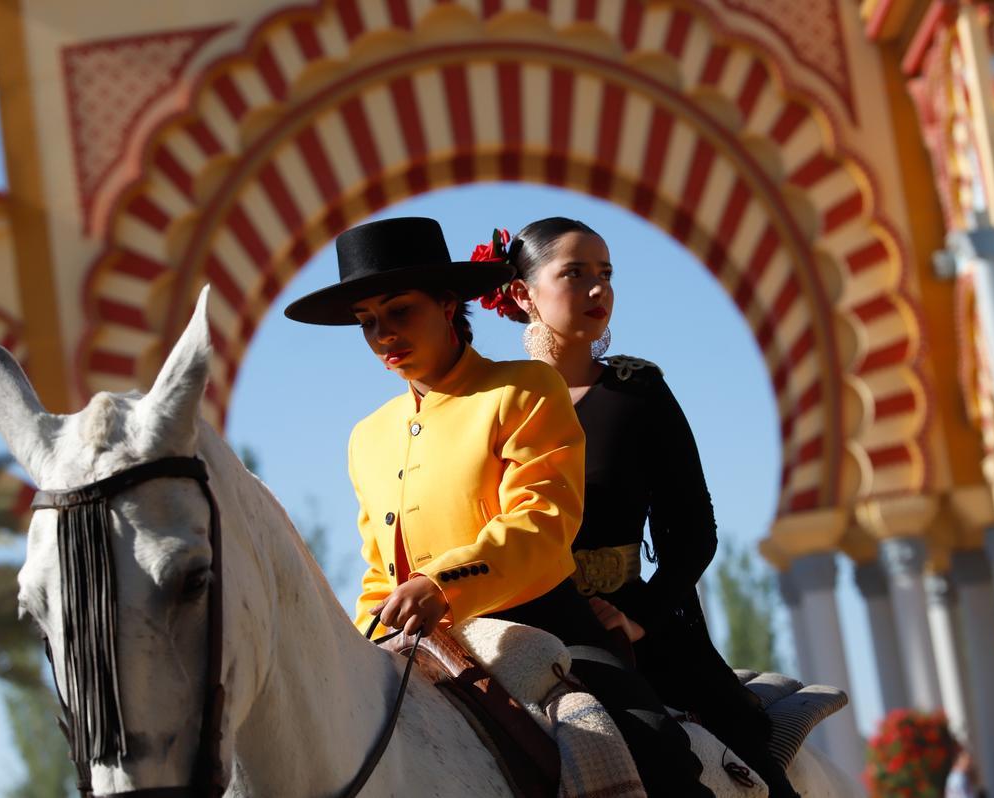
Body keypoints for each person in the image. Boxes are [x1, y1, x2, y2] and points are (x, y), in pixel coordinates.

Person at [285, 216, 711, 798]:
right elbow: (381, 570)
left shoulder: (526, 389)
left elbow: (541, 523)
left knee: (656, 752)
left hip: (545, 624)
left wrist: (440, 583)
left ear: (446, 304)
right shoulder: (368, 436)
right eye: (368, 323)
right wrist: (359, 643)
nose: (384, 334)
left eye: (399, 311)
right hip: (417, 643)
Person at [471, 217, 798, 798]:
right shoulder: (491, 402)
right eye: (575, 274)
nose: (599, 290)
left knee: (737, 764)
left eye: (606, 274)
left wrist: (639, 617)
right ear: (522, 293)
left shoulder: (639, 392)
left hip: (632, 625)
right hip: (521, 624)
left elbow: (694, 531)